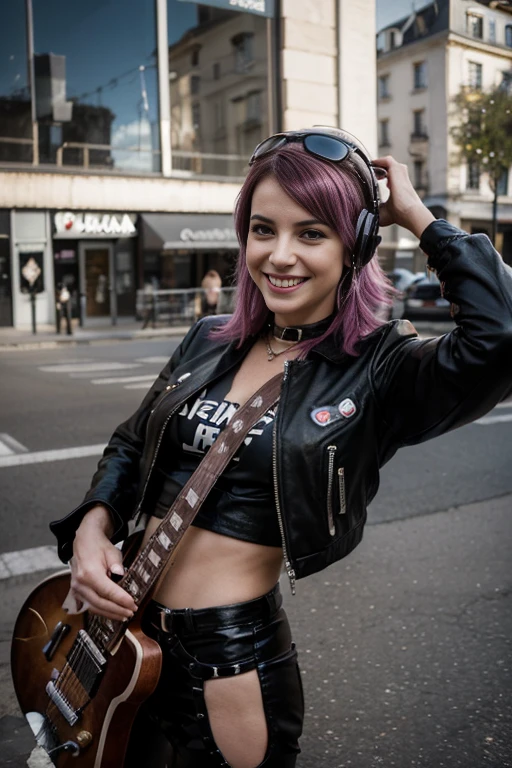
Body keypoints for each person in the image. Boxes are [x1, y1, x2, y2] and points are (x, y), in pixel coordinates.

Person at [50, 127, 512, 768]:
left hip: (228, 661)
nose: (280, 255)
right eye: (263, 229)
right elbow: (131, 442)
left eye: (313, 233)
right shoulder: (210, 337)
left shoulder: (380, 367)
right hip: (121, 635)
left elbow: (501, 336)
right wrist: (93, 528)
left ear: (354, 248)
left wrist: (416, 216)